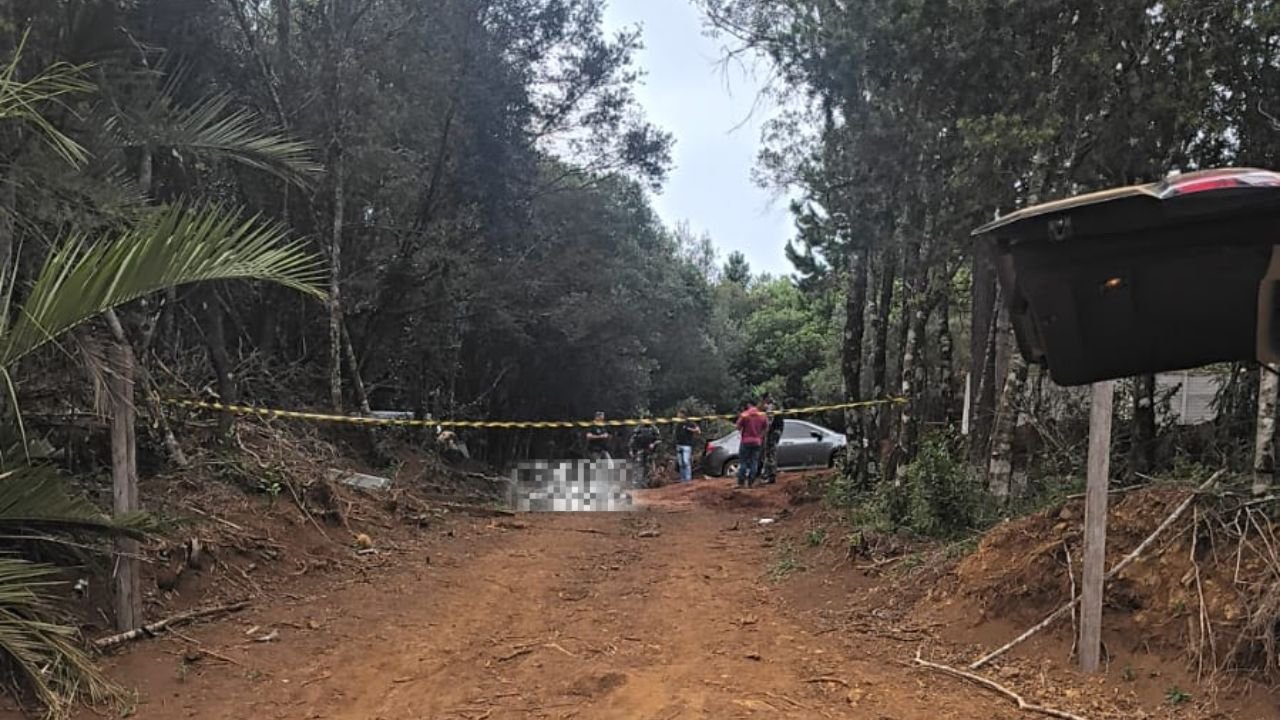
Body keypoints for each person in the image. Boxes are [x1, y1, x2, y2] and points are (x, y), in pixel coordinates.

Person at [735, 399, 768, 488]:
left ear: (749, 405)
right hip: (757, 442)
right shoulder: (762, 415)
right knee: (754, 462)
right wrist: (760, 436)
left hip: (746, 441)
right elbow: (766, 428)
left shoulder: (745, 414)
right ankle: (751, 482)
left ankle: (741, 483)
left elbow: (737, 427)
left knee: (743, 462)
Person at [630, 417, 661, 487]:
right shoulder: (639, 428)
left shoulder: (654, 429)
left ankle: (647, 482)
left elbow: (659, 440)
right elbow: (633, 439)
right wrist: (631, 450)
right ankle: (636, 482)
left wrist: (653, 444)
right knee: (638, 465)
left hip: (650, 450)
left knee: (648, 467)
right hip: (640, 449)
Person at [760, 395, 784, 485]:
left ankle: (771, 476)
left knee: (770, 454)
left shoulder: (771, 407)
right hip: (777, 431)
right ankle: (769, 475)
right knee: (771, 453)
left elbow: (769, 422)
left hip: (773, 432)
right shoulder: (777, 405)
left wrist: (764, 433)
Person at [673, 409, 701, 483]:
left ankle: (688, 479)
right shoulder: (678, 424)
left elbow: (698, 431)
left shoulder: (689, 422)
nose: (678, 415)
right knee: (681, 463)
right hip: (679, 445)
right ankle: (683, 480)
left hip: (687, 445)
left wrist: (688, 429)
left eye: (679, 414)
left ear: (683, 414)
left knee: (686, 462)